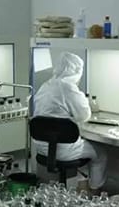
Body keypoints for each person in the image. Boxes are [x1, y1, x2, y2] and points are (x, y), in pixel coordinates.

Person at [32, 52, 107, 192]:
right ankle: (94, 192)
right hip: (64, 150)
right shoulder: (68, 87)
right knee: (100, 153)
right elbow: (84, 115)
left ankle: (79, 187)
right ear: (77, 71)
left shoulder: (45, 86)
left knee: (86, 152)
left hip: (42, 148)